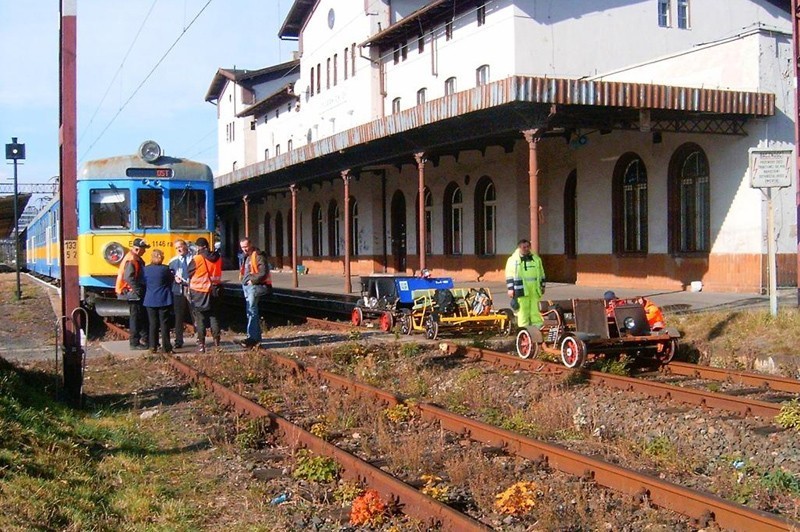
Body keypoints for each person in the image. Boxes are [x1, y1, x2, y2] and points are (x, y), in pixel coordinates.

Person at [187, 237, 222, 353]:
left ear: (198, 247)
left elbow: (189, 272)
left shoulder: (197, 258)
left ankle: (201, 345)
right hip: (215, 291)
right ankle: (217, 343)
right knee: (214, 317)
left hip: (199, 292)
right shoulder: (218, 258)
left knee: (201, 319)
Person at [116, 237, 149, 350]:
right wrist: (137, 289)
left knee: (139, 316)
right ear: (137, 249)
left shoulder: (134, 258)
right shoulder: (132, 260)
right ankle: (134, 343)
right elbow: (128, 277)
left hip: (132, 292)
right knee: (135, 317)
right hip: (132, 292)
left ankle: (144, 338)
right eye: (144, 248)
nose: (145, 251)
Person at [505, 238, 545, 328]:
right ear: (519, 247)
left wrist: (542, 286)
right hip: (521, 289)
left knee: (535, 309)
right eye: (524, 247)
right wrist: (510, 289)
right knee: (523, 310)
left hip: (535, 289)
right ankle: (523, 328)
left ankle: (537, 327)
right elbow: (509, 275)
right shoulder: (513, 260)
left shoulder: (536, 259)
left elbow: (541, 273)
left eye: (528, 246)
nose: (526, 249)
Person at [239, 237, 271, 348]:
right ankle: (255, 338)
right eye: (242, 247)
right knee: (251, 312)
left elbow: (263, 272)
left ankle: (251, 338)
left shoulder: (258, 256)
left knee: (252, 312)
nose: (244, 249)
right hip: (248, 287)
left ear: (251, 244)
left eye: (246, 246)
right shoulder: (246, 257)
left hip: (254, 287)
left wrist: (252, 281)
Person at [143, 249, 174, 354]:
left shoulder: (146, 269)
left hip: (150, 300)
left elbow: (143, 282)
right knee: (164, 324)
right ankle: (166, 347)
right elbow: (171, 281)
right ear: (162, 258)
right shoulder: (166, 269)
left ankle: (153, 346)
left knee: (153, 324)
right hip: (164, 299)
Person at [168, 239, 193, 348]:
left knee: (195, 314)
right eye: (176, 247)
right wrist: (174, 278)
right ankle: (179, 340)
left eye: (180, 246)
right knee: (179, 316)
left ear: (185, 246)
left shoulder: (193, 259)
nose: (178, 249)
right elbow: (169, 275)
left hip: (192, 289)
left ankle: (199, 339)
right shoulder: (173, 261)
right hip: (178, 290)